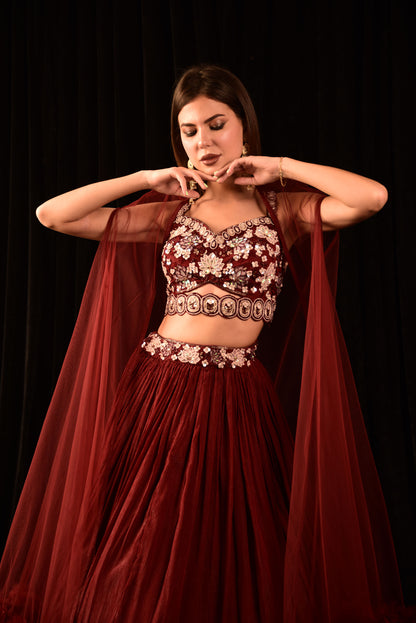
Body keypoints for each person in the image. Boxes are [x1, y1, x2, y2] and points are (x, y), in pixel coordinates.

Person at [0, 64, 413, 623]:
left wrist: (283, 167)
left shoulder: (281, 210)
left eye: (217, 124)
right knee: (145, 540)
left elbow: (373, 198)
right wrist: (146, 175)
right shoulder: (171, 213)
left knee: (229, 537)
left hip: (238, 393)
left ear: (244, 127)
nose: (203, 142)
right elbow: (53, 215)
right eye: (189, 131)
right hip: (161, 386)